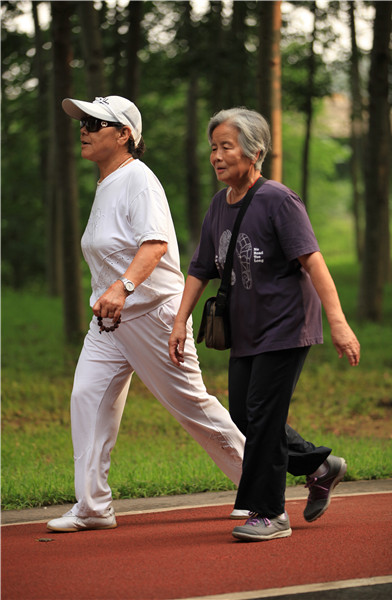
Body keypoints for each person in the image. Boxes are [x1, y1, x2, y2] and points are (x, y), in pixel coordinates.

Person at [47, 96, 349, 534]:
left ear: (124, 134)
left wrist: (125, 287)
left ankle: (285, 479)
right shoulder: (108, 183)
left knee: (197, 409)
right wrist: (111, 292)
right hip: (111, 320)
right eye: (83, 122)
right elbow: (198, 264)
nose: (84, 129)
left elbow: (156, 245)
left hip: (150, 313)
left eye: (96, 122)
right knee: (86, 398)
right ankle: (93, 506)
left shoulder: (139, 182)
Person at [169, 107, 360, 542]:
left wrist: (339, 323)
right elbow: (200, 268)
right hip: (248, 331)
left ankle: (270, 513)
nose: (216, 156)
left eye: (226, 147)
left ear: (254, 152)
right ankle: (319, 465)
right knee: (244, 417)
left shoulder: (278, 199)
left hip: (287, 326)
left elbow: (312, 260)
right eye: (212, 147)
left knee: (264, 416)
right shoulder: (219, 205)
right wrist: (180, 321)